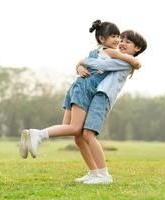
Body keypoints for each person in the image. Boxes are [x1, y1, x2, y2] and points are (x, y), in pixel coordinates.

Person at [19, 21, 140, 161]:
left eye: (118, 36)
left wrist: (79, 65)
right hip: (85, 87)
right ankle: (37, 134)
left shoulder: (95, 51)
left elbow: (88, 62)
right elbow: (126, 59)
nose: (118, 40)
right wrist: (135, 62)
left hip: (77, 86)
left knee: (67, 128)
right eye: (114, 36)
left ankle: (29, 139)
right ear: (102, 39)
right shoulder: (110, 51)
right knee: (76, 129)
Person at [73, 30, 147, 184]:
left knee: (88, 134)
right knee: (82, 135)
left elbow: (102, 64)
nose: (122, 43)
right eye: (122, 39)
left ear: (137, 48)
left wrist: (82, 61)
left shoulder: (125, 61)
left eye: (128, 42)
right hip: (98, 95)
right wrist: (79, 67)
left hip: (103, 97)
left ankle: (104, 175)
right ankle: (94, 173)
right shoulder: (123, 58)